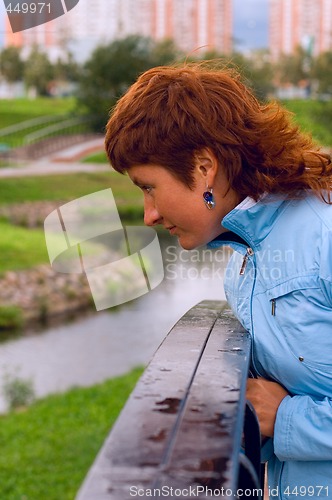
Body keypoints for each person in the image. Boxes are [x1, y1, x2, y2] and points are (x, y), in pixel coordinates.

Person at [105, 63, 332, 499]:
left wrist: (286, 420)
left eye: (149, 187)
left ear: (204, 167)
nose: (148, 213)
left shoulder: (323, 234)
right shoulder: (244, 263)